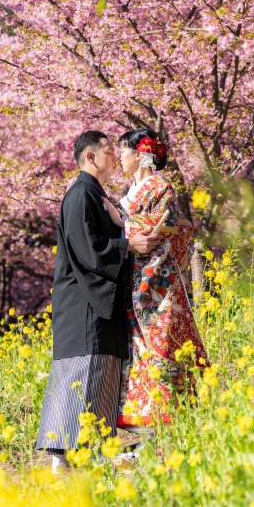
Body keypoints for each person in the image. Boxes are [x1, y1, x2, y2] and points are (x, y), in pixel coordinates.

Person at [35, 130, 158, 473]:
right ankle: (63, 454)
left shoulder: (96, 194)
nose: (115, 155)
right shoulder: (79, 195)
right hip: (84, 303)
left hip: (98, 300)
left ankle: (92, 452)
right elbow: (88, 248)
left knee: (99, 375)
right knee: (81, 375)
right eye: (107, 149)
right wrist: (127, 246)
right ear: (90, 157)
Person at [103, 128, 207, 433]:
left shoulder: (161, 187)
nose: (119, 157)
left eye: (122, 151)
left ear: (139, 154)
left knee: (163, 344)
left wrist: (119, 220)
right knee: (138, 348)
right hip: (133, 281)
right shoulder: (129, 194)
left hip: (158, 282)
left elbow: (163, 226)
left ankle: (171, 417)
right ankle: (143, 420)